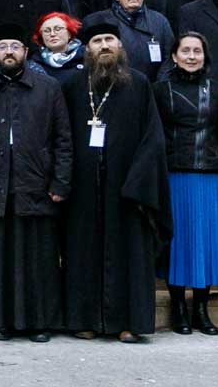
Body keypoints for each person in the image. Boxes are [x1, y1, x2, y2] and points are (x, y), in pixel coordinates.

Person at [58, 20, 170, 342]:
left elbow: (153, 139)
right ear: (86, 49)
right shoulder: (72, 86)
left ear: (120, 46)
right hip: (82, 189)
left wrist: (137, 182)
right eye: (97, 41)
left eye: (110, 40)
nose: (104, 45)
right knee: (82, 252)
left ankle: (130, 323)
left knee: (129, 255)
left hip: (128, 189)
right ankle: (84, 319)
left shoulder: (138, 84)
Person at [0, 26, 72, 341]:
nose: (9, 52)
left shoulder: (48, 89)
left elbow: (63, 140)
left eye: (15, 46)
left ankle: (39, 323)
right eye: (3, 46)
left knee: (37, 259)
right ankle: (0, 321)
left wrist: (60, 182)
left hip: (36, 185)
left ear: (26, 51)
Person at [153, 33, 218, 336]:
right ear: (174, 56)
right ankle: (179, 309)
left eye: (197, 51)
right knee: (178, 244)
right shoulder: (159, 90)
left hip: (209, 177)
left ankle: (201, 311)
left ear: (205, 57)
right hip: (172, 177)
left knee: (203, 244)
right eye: (185, 51)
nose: (191, 56)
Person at [83, 0, 175, 83]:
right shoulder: (98, 20)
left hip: (153, 88)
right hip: (113, 86)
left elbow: (169, 58)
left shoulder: (160, 21)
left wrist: (159, 86)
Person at [32, 11, 85, 82]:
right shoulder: (33, 66)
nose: (52, 34)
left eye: (58, 29)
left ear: (69, 33)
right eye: (47, 31)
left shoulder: (87, 58)